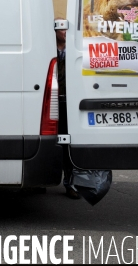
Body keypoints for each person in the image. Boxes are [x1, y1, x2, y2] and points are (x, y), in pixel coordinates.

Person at [55, 17, 80, 200]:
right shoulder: (47, 49)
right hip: (50, 101)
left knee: (69, 145)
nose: (65, 31)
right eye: (61, 28)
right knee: (50, 143)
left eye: (66, 28)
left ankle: (70, 184)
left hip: (70, 102)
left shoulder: (74, 51)